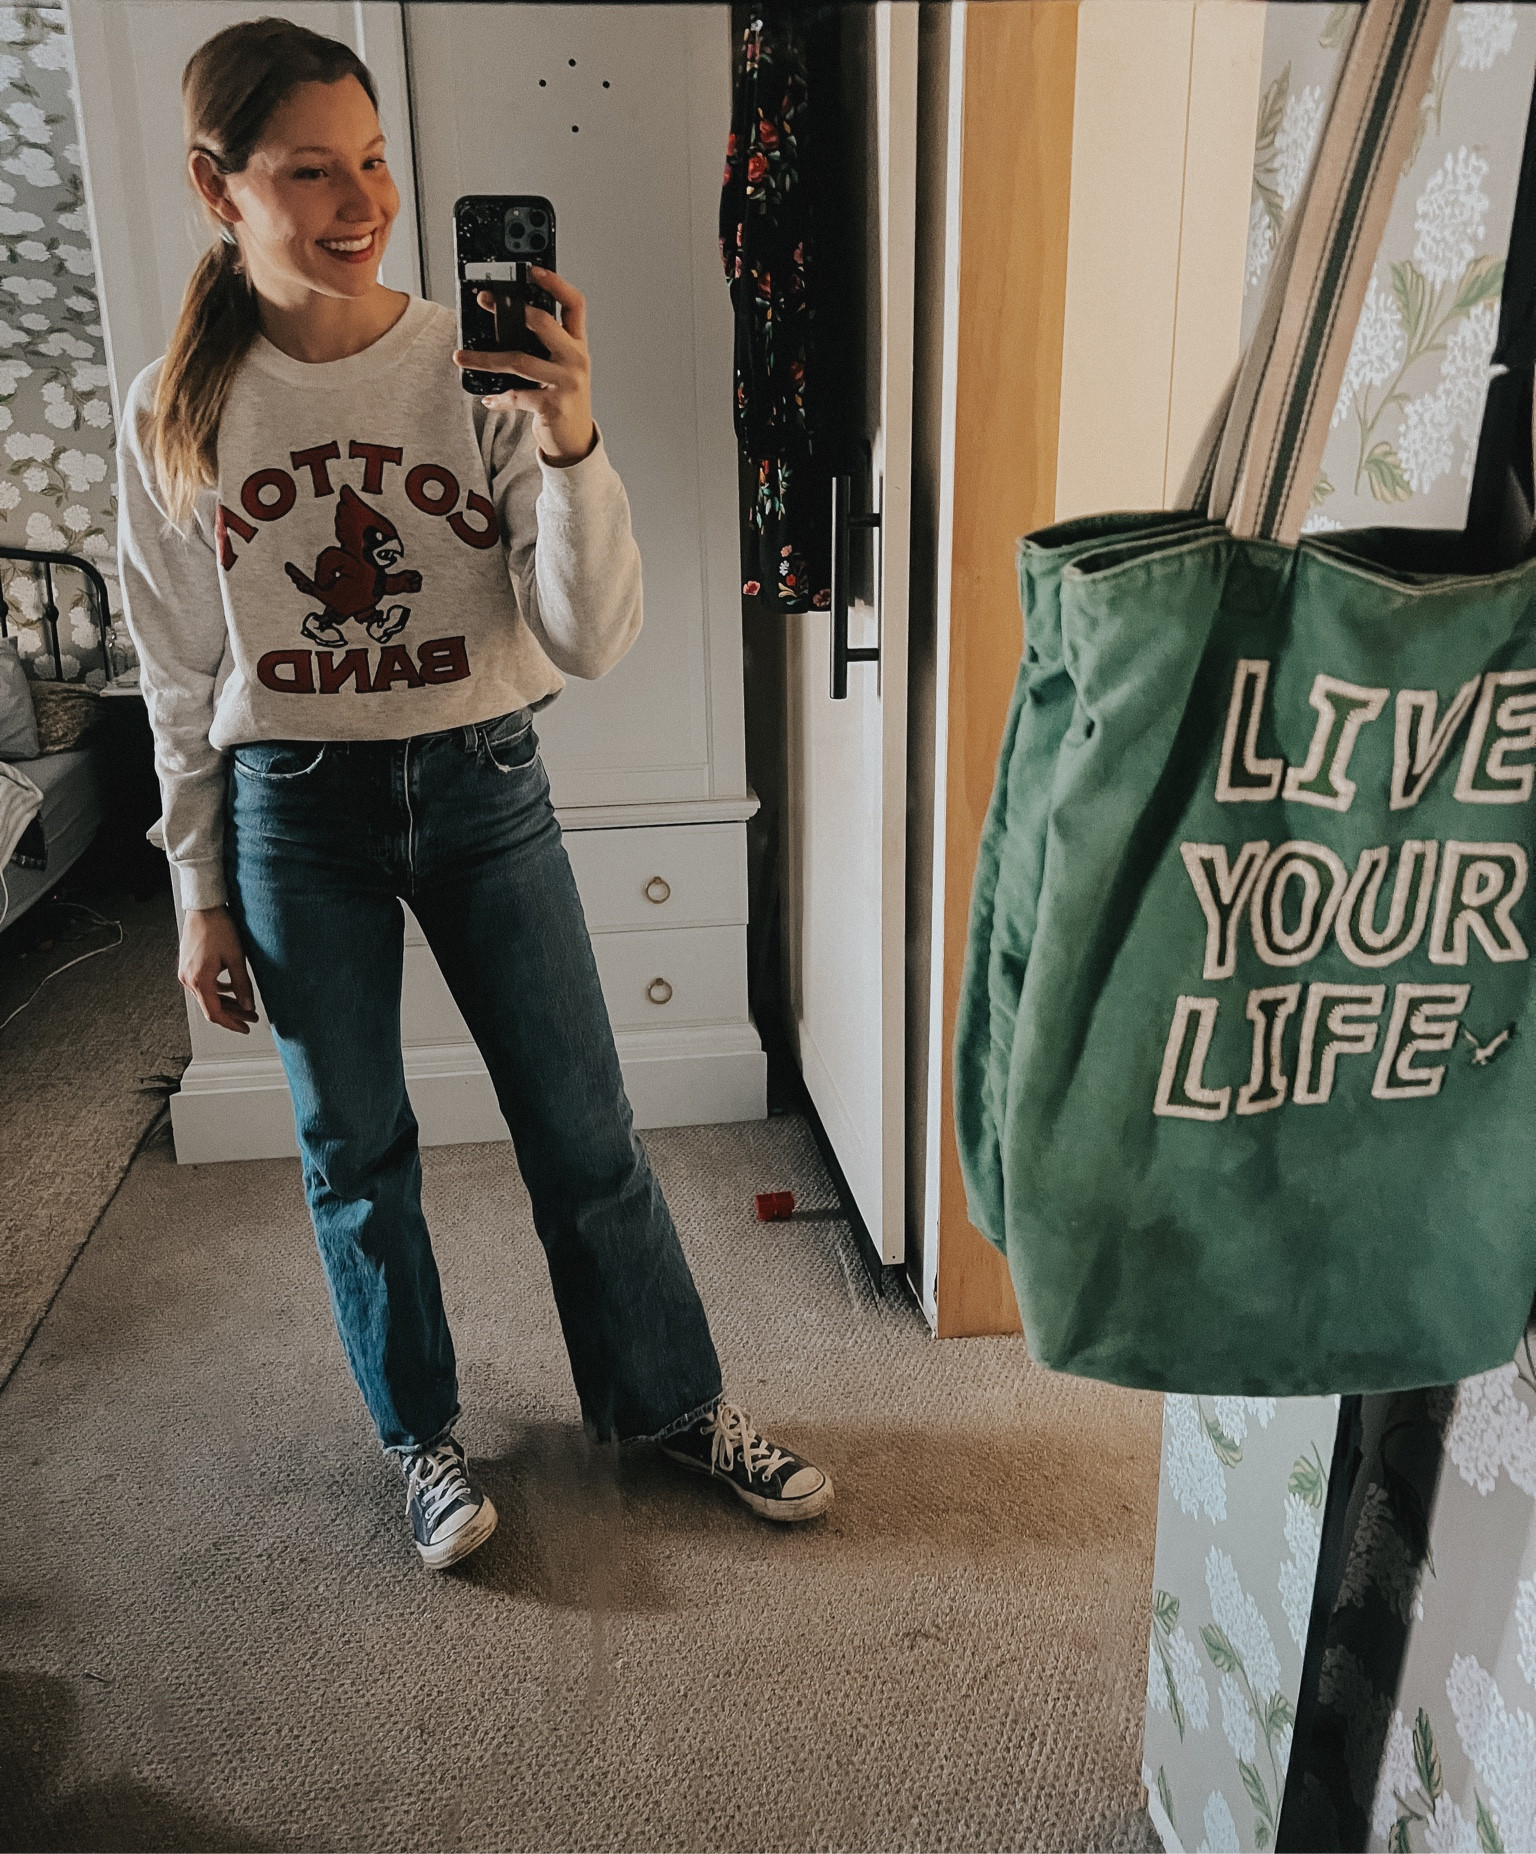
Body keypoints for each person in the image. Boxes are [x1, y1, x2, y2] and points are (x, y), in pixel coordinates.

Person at [118, 16, 832, 1571]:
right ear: (218, 188)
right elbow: (179, 677)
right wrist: (196, 891)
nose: (361, 202)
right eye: (311, 172)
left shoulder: (475, 368)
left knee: (583, 1125)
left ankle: (672, 1400)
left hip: (483, 777)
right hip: (291, 808)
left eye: (374, 162)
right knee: (354, 1149)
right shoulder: (177, 405)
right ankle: (423, 1441)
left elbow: (587, 637)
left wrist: (571, 439)